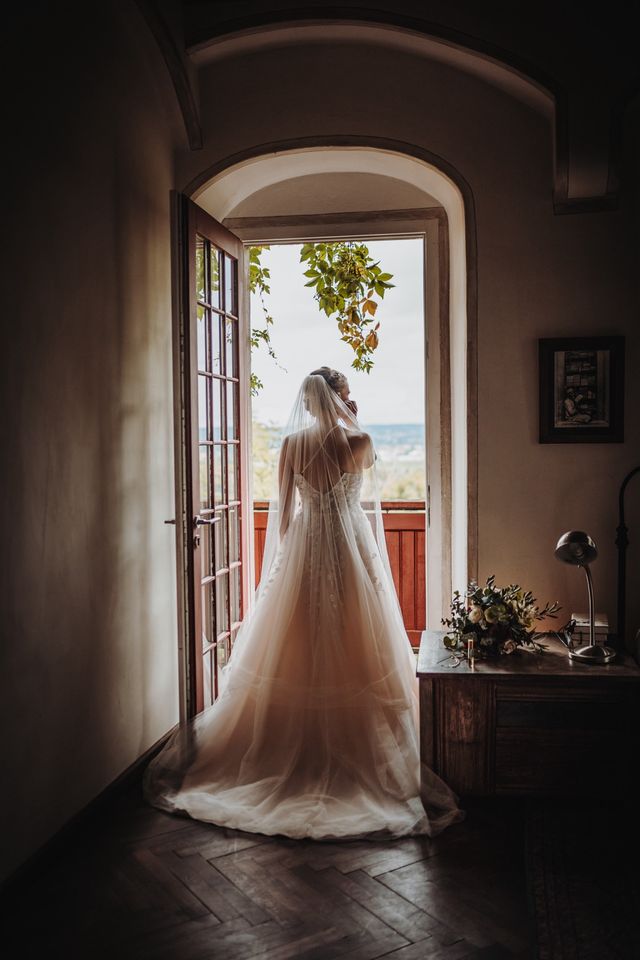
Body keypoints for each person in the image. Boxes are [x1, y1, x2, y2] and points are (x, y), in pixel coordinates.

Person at [143, 367, 463, 839]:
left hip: (306, 546)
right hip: (349, 547)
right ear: (338, 400)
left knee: (294, 639)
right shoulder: (360, 442)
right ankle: (352, 759)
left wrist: (287, 562)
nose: (350, 403)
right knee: (357, 637)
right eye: (348, 396)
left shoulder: (291, 445)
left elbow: (283, 509)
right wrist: (353, 424)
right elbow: (367, 468)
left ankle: (280, 753)